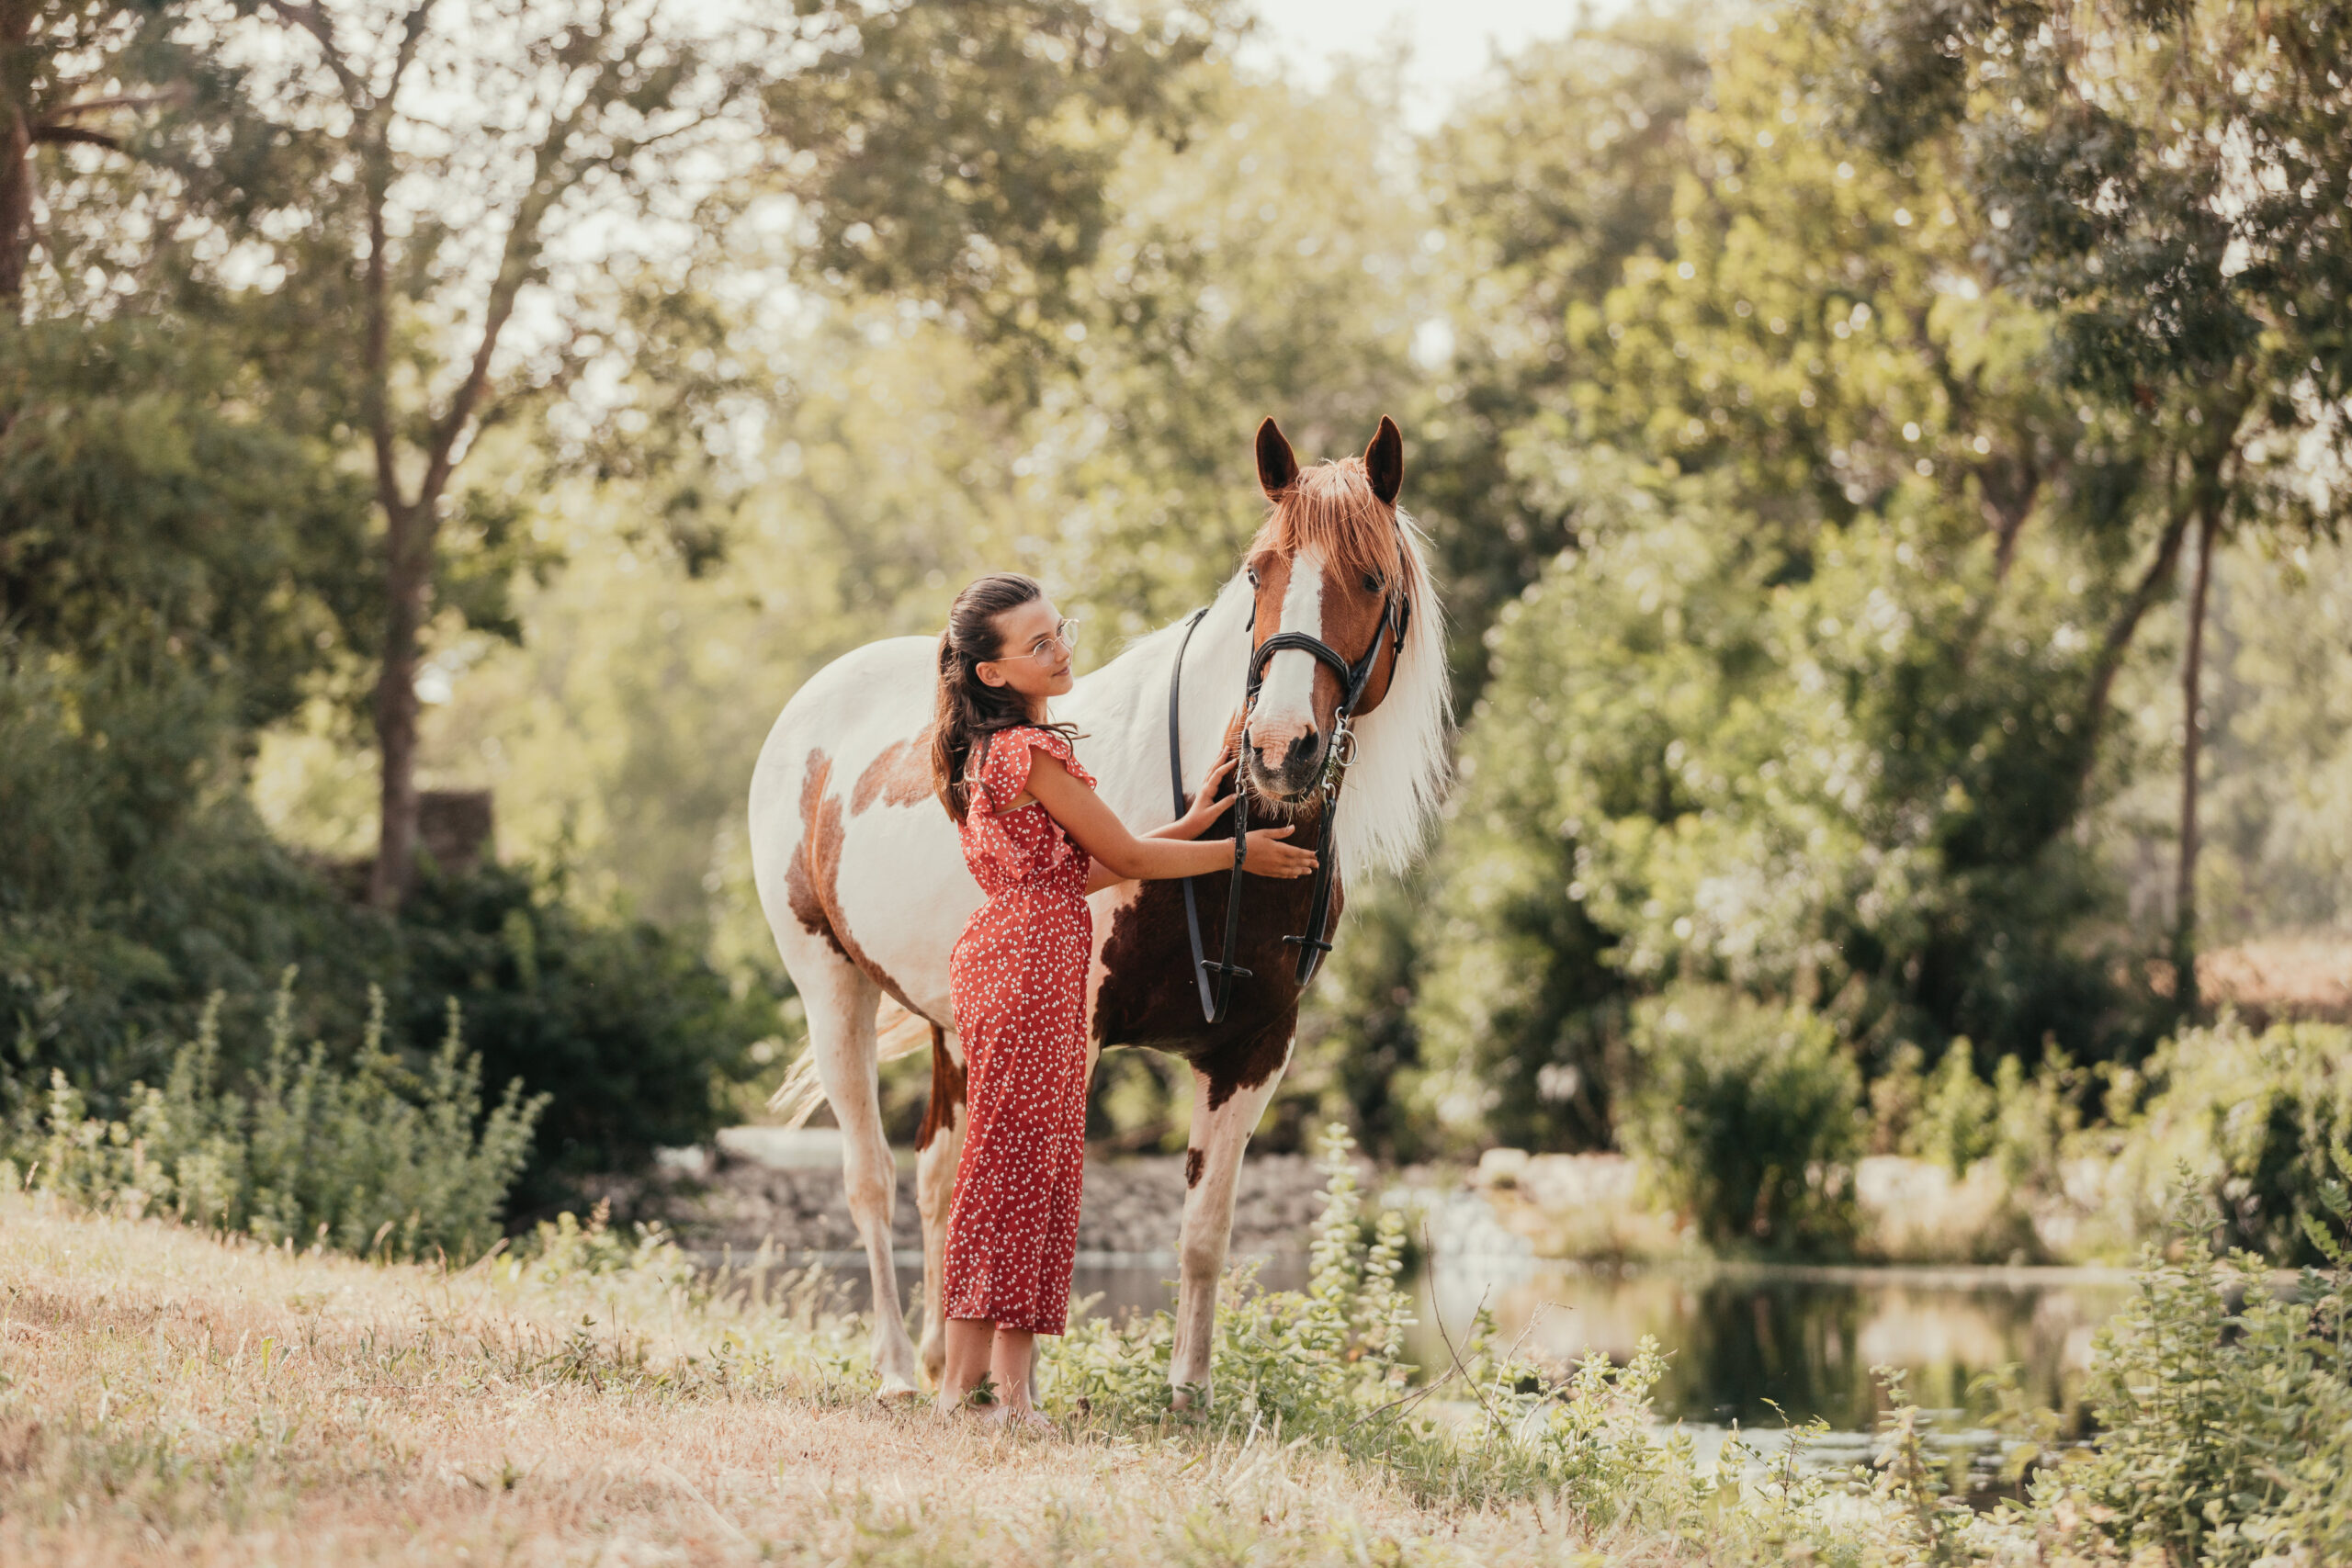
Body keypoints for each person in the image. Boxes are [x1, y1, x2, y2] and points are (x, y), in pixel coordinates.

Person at [927, 572, 1316, 1427]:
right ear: (993, 674)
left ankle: (965, 1386)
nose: (1060, 649)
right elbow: (1127, 864)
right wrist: (1235, 854)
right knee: (1035, 1171)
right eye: (1037, 645)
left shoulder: (982, 752)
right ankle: (1007, 1394)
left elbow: (1083, 866)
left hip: (1001, 948)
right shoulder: (1037, 753)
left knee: (999, 1166)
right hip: (1034, 962)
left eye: (1057, 630)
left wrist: (1191, 827)